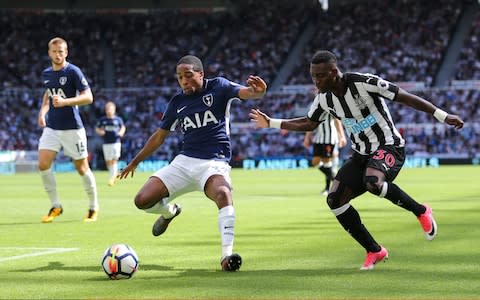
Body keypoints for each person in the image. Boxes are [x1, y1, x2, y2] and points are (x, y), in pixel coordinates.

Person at [249, 50, 464, 270]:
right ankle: (374, 250)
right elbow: (309, 123)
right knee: (334, 200)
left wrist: (443, 116)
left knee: (373, 182)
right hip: (361, 154)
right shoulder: (324, 99)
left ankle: (421, 211)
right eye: (313, 76)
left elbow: (404, 97)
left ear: (334, 72)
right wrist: (272, 123)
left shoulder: (364, 82)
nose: (316, 81)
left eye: (320, 76)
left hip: (389, 146)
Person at [118, 55, 267, 271]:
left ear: (200, 74)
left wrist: (259, 91)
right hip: (184, 162)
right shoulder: (177, 102)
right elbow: (159, 137)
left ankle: (226, 256)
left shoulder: (219, 87)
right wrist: (134, 162)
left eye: (188, 76)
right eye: (180, 78)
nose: (184, 81)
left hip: (214, 163)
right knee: (142, 200)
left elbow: (247, 92)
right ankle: (170, 212)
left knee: (223, 193)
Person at [37, 37, 99, 223]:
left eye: (61, 51)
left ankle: (93, 207)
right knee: (43, 164)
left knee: (82, 168)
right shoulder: (46, 74)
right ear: (49, 53)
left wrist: (66, 102)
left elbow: (88, 97)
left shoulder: (73, 71)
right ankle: (56, 205)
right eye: (55, 51)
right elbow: (48, 93)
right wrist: (43, 111)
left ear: (67, 52)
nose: (58, 55)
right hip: (52, 128)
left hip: (72, 128)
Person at [303, 116, 346, 196]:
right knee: (315, 162)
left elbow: (337, 121)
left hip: (329, 139)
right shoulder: (315, 108)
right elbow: (310, 124)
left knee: (327, 163)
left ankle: (327, 188)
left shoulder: (329, 107)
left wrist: (342, 136)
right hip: (318, 139)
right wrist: (307, 138)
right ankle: (335, 179)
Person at [95, 101, 126, 186]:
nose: (109, 111)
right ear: (105, 110)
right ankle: (113, 175)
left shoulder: (118, 120)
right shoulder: (103, 120)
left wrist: (121, 132)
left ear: (114, 110)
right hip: (106, 143)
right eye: (107, 109)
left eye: (110, 109)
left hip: (116, 142)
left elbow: (123, 127)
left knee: (114, 159)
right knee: (108, 161)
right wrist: (100, 132)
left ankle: (112, 178)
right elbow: (97, 128)